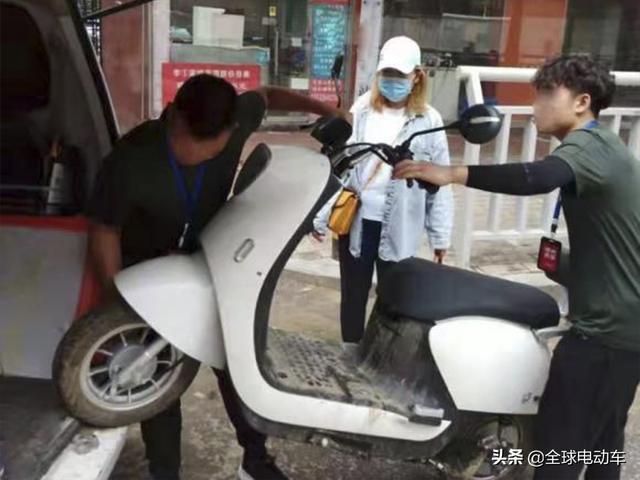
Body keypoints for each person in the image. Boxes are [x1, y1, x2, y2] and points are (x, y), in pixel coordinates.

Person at [394, 55, 640, 480]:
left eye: (547, 93)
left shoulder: (587, 146)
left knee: (558, 448)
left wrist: (453, 173)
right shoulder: (607, 147)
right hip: (625, 327)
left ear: (582, 102)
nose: (536, 104)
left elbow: (536, 177)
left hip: (606, 333)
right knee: (601, 441)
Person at [87, 75, 344, 480]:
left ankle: (255, 459)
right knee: (161, 380)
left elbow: (266, 94)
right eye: (196, 150)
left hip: (208, 266)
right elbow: (104, 231)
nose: (207, 158)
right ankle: (165, 472)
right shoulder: (129, 159)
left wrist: (325, 109)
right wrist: (117, 303)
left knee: (235, 362)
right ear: (175, 119)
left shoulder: (235, 118)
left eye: (217, 150)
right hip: (151, 281)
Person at [313, 36, 453, 345]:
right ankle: (351, 349)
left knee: (395, 298)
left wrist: (440, 235)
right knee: (353, 294)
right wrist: (321, 216)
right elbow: (342, 167)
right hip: (358, 221)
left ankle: (383, 355)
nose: (392, 82)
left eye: (400, 75)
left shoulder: (429, 120)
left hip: (402, 224)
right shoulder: (363, 109)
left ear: (416, 76)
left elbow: (440, 181)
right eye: (387, 75)